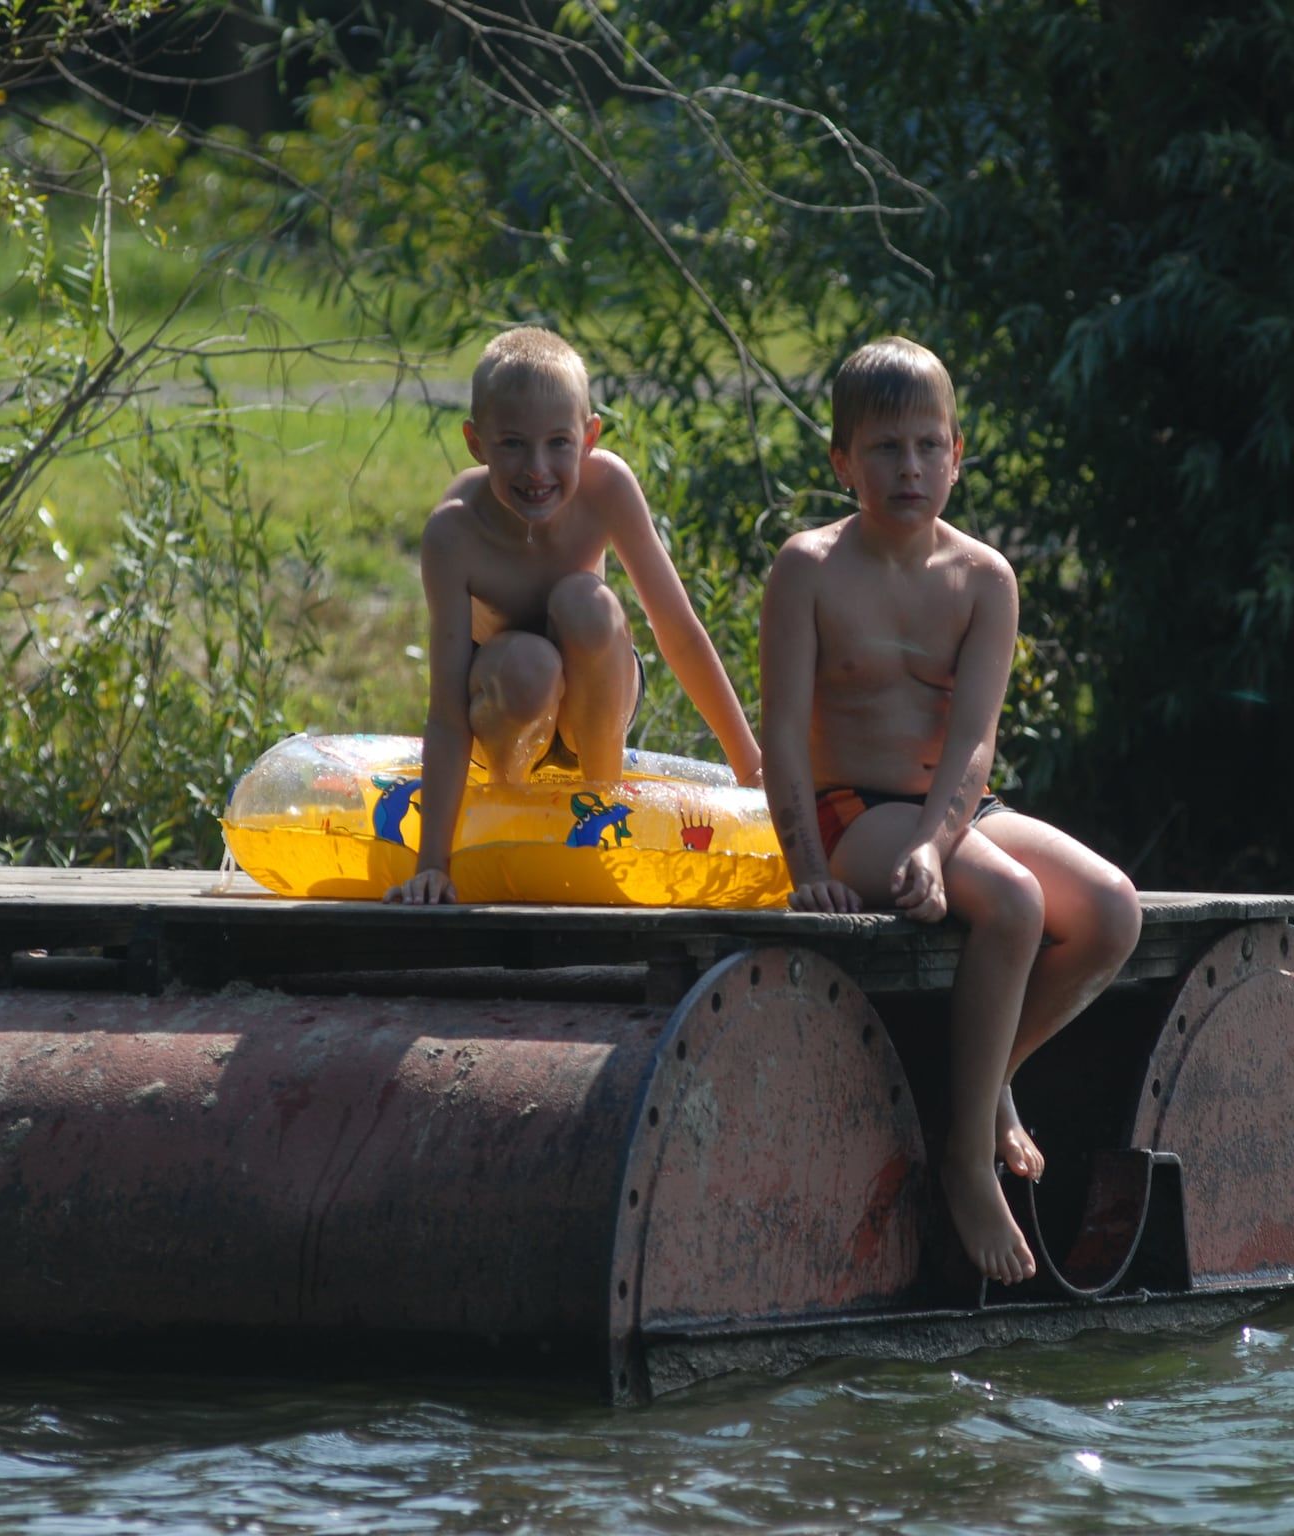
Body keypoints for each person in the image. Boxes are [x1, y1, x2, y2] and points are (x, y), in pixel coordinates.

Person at [758, 337, 1143, 1285]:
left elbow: (974, 745)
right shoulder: (808, 568)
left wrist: (937, 845)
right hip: (854, 814)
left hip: (949, 810)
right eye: (885, 449)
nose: (910, 468)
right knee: (1011, 903)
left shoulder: (985, 579)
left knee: (1112, 911)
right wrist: (807, 868)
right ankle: (967, 1165)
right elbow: (778, 738)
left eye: (930, 446)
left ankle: (984, 1086)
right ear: (842, 461)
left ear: (958, 454)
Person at [386, 326, 762, 905]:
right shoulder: (454, 531)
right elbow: (445, 709)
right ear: (476, 442)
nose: (538, 468)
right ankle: (512, 818)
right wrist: (432, 862)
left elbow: (678, 631)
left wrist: (749, 765)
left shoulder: (607, 486)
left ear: (589, 437)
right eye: (512, 443)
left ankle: (603, 813)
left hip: (596, 705)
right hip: (508, 710)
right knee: (529, 665)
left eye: (558, 443)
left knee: (586, 603)